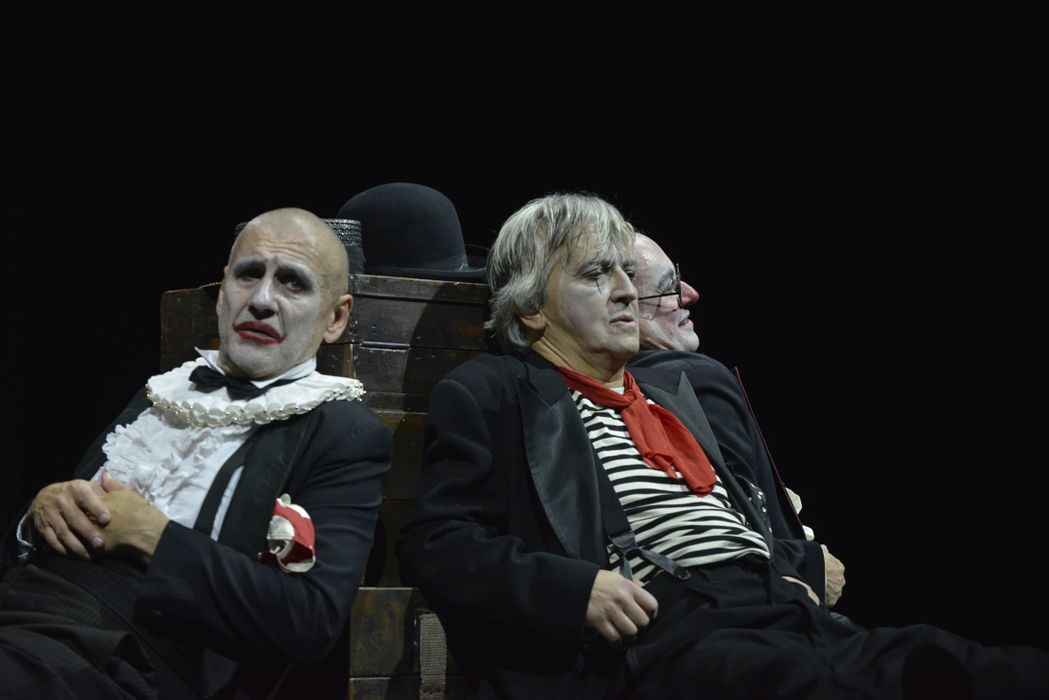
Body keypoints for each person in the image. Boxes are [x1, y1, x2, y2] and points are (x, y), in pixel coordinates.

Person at [396, 193, 1047, 699]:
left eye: (626, 271)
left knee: (990, 671)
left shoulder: (675, 392)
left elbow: (754, 510)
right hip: (670, 637)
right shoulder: (496, 390)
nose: (627, 290)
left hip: (781, 614)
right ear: (532, 308)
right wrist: (572, 591)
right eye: (597, 274)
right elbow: (439, 540)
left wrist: (794, 564)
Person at [0, 208, 392, 698]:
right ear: (222, 291)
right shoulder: (165, 391)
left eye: (293, 283)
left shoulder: (341, 432)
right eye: (249, 274)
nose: (262, 301)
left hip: (127, 655)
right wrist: (37, 515)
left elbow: (310, 620)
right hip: (24, 609)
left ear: (335, 318)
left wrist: (153, 538)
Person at [627, 233, 844, 607]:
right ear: (620, 306)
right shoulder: (691, 378)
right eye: (667, 288)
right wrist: (808, 565)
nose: (690, 294)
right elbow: (738, 522)